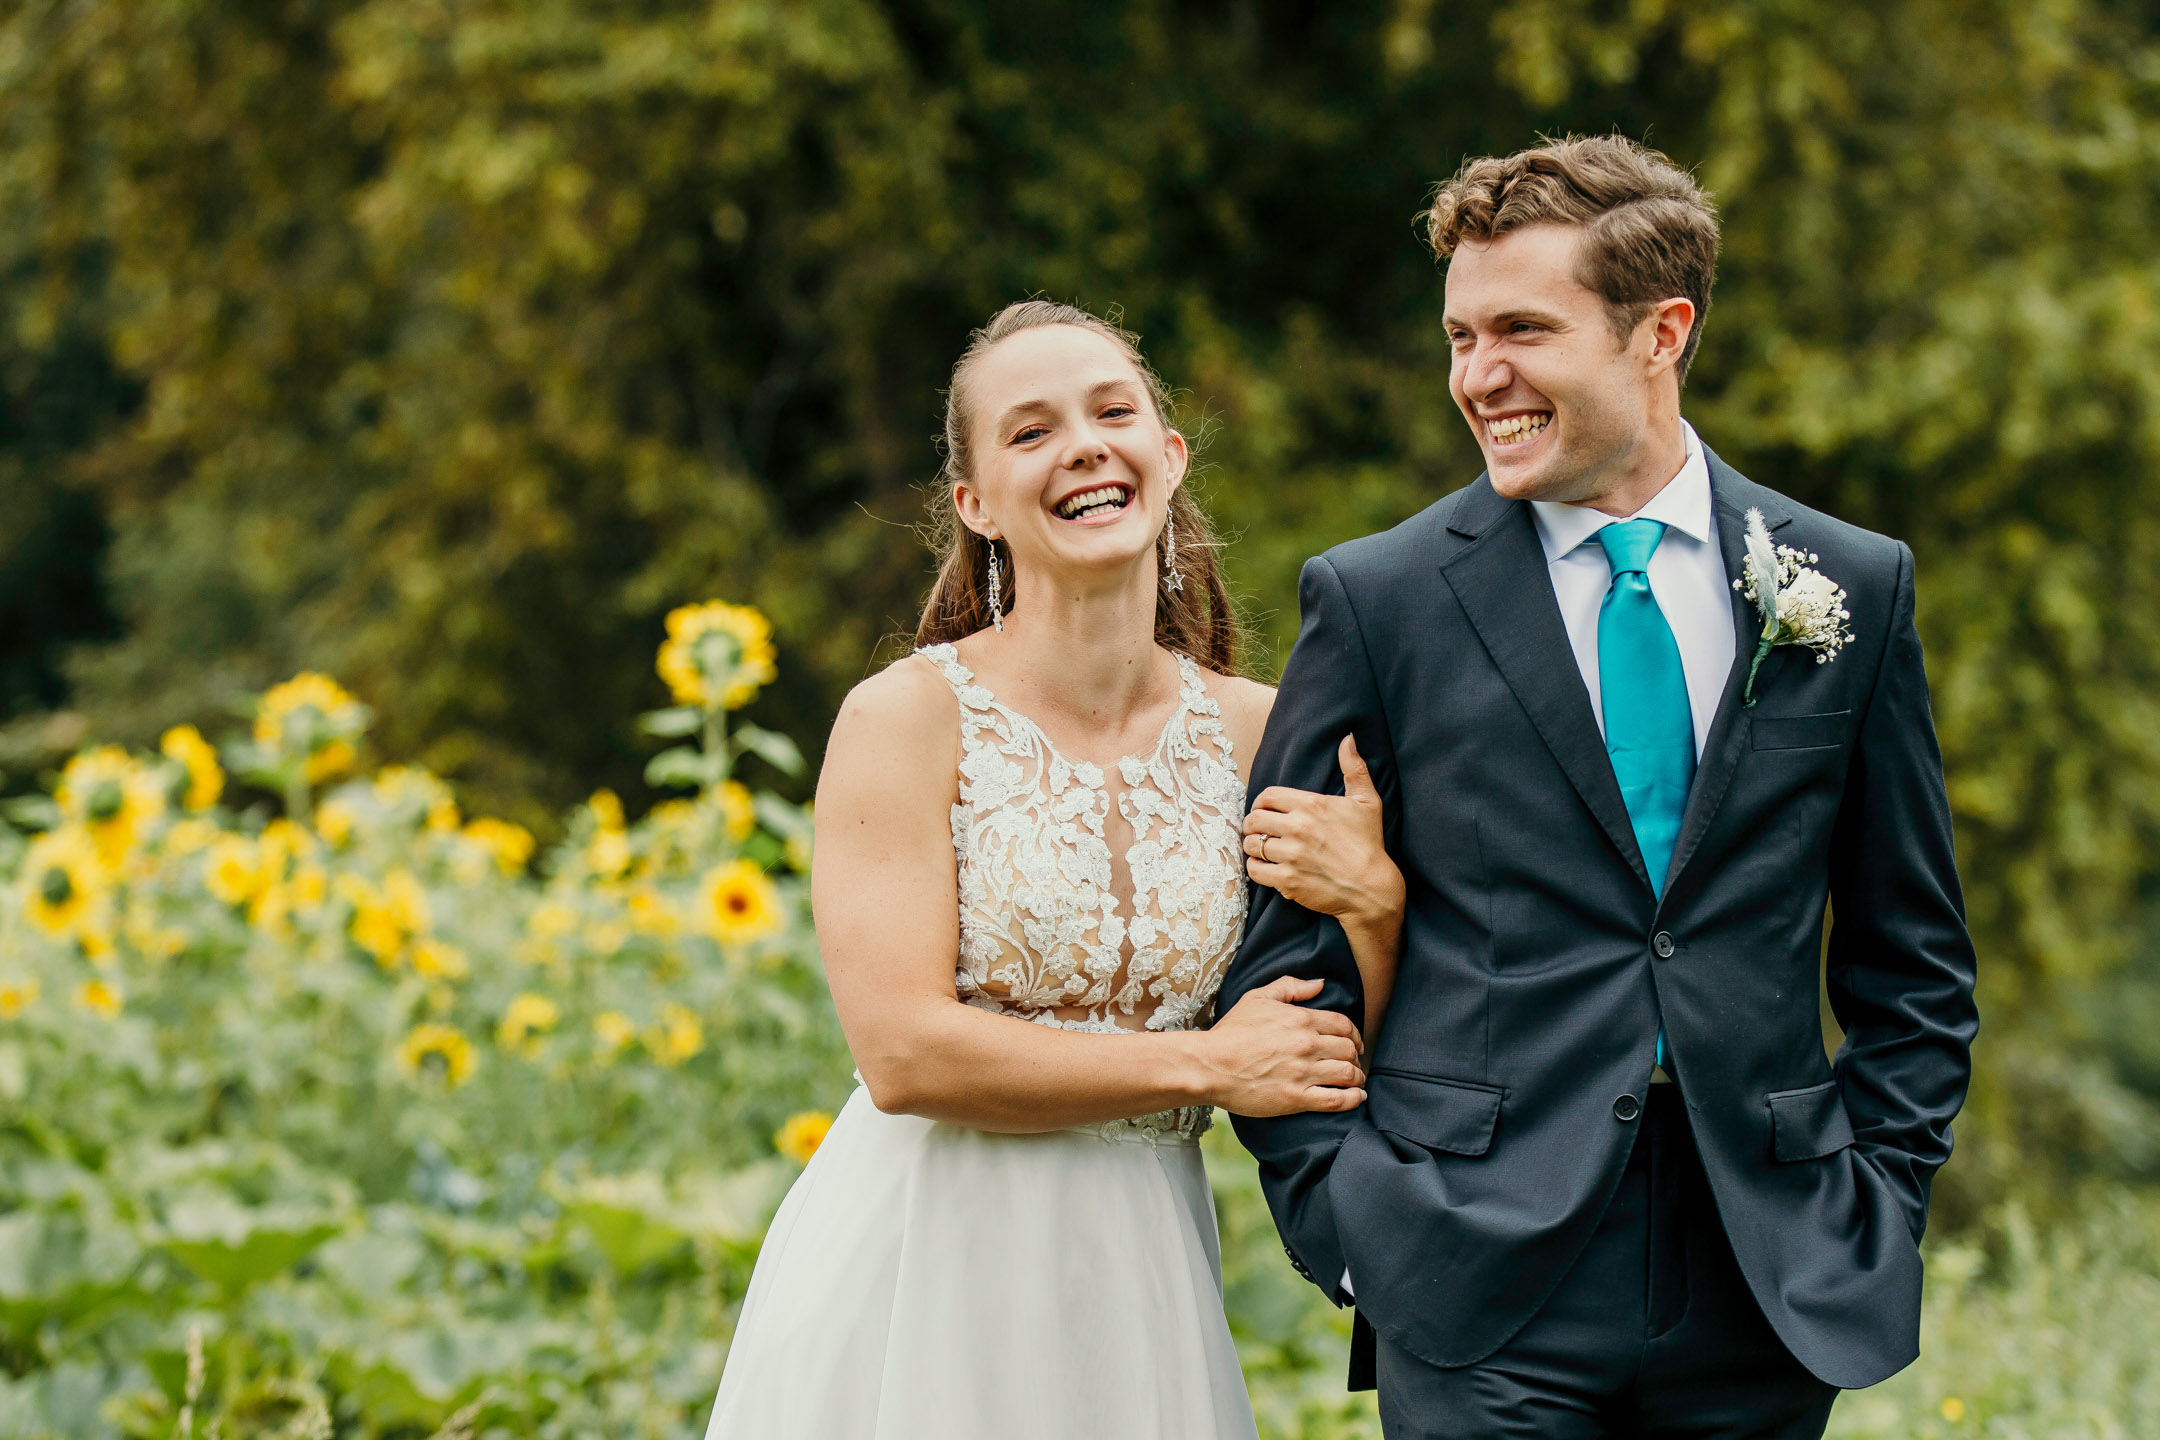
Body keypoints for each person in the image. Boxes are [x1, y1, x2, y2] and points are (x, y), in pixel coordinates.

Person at [1223, 135, 1980, 1439]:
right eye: (1460, 337)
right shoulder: (1381, 601)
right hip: (1474, 1271)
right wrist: (1358, 1229)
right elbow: (1281, 968)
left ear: (1660, 332)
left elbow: (1912, 958)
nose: (1479, 376)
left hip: (1765, 1261)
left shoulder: (1849, 584)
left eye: (1522, 328)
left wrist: (1878, 1200)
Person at [703, 300, 1407, 1439]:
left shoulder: (1261, 735)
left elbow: (1333, 1039)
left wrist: (1376, 906)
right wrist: (1208, 1064)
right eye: (1030, 432)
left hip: (1145, 1280)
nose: (1082, 443)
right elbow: (903, 1053)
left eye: (1112, 411)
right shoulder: (905, 720)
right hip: (920, 1263)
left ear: (1168, 460)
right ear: (976, 505)